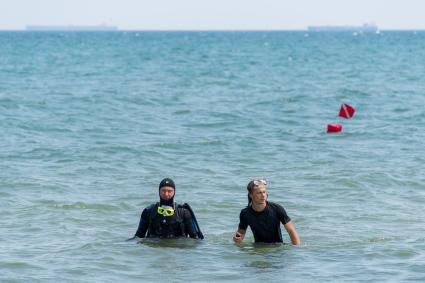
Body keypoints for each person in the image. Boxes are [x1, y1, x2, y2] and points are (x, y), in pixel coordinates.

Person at [233, 178, 300, 245]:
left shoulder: (277, 209)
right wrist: (237, 239)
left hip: (277, 248)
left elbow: (291, 231)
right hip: (258, 249)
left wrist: (296, 250)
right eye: (259, 193)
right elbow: (241, 233)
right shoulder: (245, 213)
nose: (263, 195)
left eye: (264, 192)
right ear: (251, 195)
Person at [132, 178, 203, 239]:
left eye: (169, 191)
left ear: (174, 192)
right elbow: (139, 236)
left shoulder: (184, 212)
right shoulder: (148, 211)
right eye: (163, 190)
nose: (166, 194)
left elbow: (195, 238)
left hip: (177, 251)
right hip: (154, 251)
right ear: (159, 191)